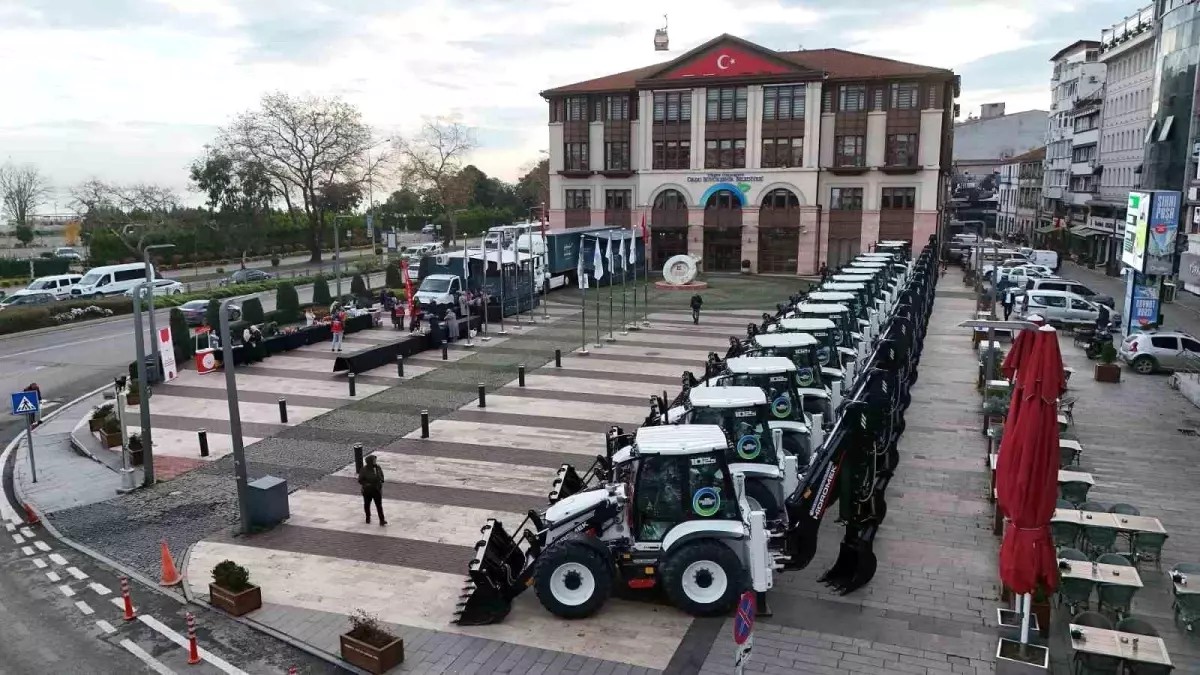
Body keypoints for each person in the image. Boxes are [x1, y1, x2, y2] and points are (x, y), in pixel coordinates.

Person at [357, 455, 386, 526]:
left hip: (377, 490)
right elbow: (360, 480)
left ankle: (382, 520)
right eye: (374, 460)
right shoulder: (364, 470)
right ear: (370, 462)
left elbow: (381, 475)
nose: (375, 461)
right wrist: (367, 484)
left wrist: (381, 480)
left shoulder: (378, 467)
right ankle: (368, 517)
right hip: (367, 491)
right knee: (367, 504)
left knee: (379, 506)